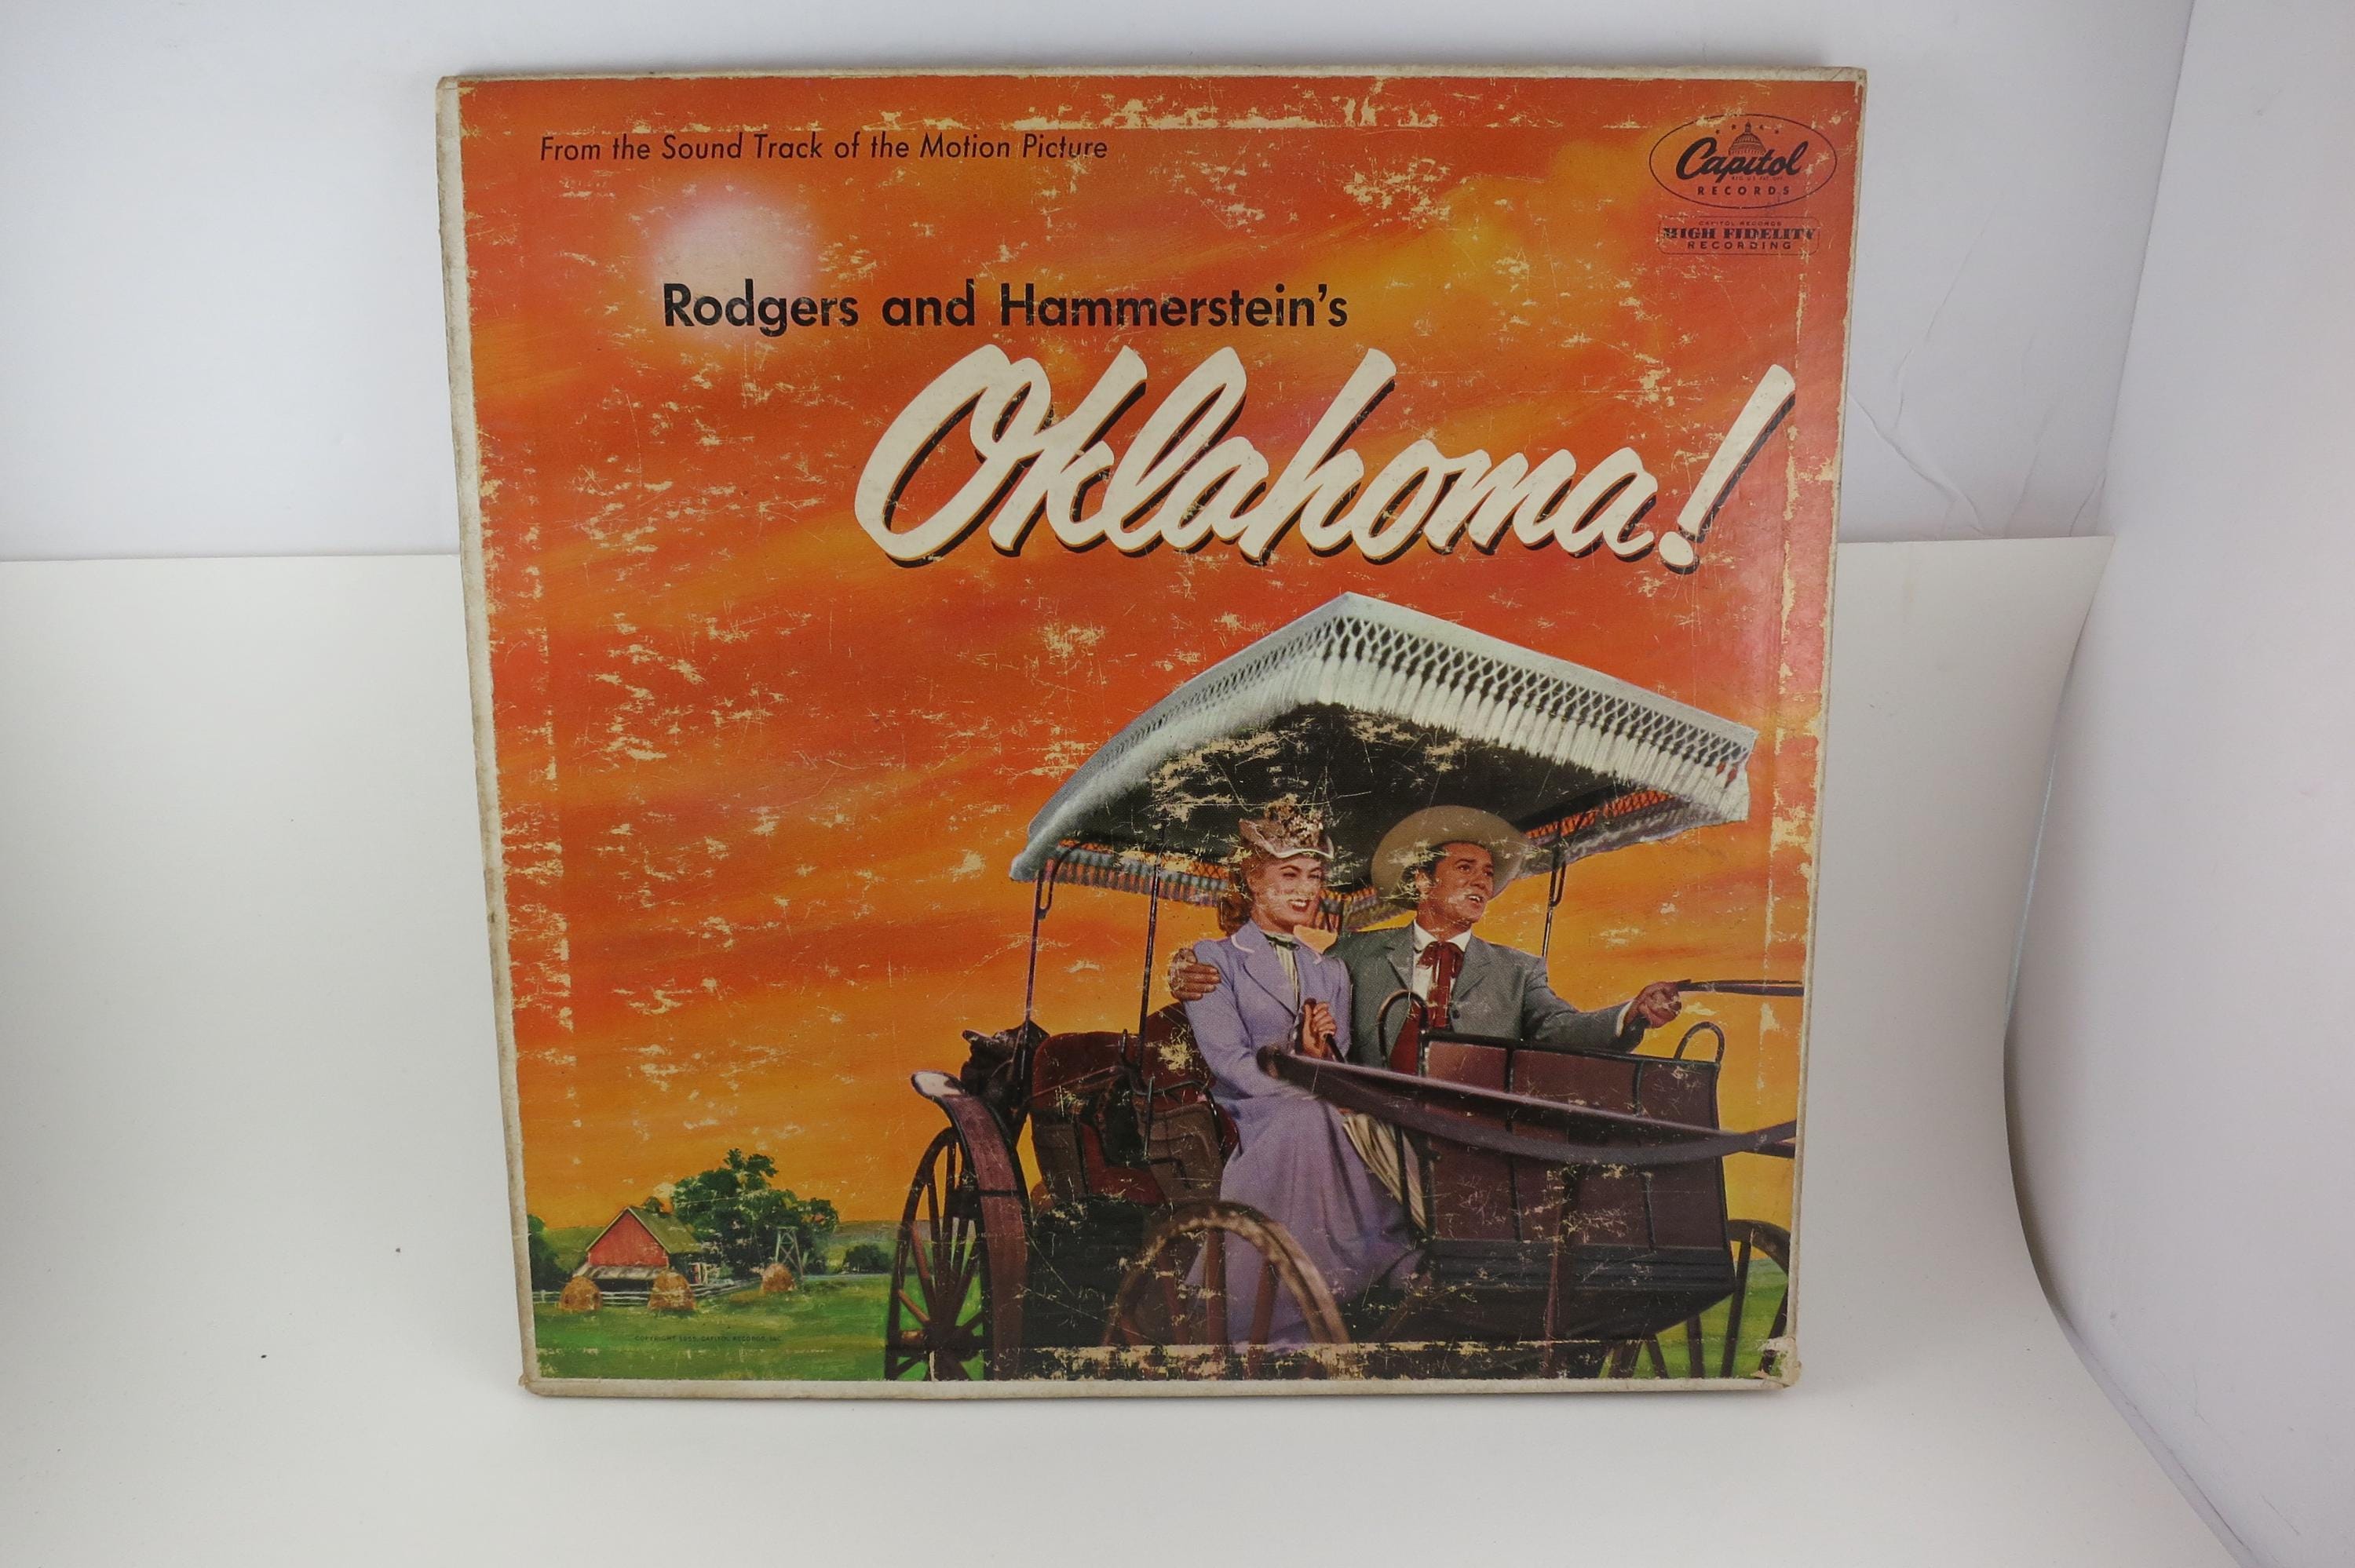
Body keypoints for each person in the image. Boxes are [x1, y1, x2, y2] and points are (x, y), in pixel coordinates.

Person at [1170, 805, 1685, 1222]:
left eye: (1488, 873)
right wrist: (1185, 972)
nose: (1482, 882)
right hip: (1369, 1125)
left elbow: (1562, 1028)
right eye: (1465, 869)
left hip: (1470, 1132)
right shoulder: (1354, 956)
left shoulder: (1519, 971)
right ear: (1421, 882)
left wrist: (1630, 1014)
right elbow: (1281, 994)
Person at [1181, 802, 1416, 1346]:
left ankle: (1388, 1258)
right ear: (1253, 879)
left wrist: (1316, 1055)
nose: (1306, 890)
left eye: (1314, 877)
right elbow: (1228, 1059)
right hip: (1251, 1103)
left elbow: (1338, 1060)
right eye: (1290, 875)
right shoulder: (1214, 958)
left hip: (1313, 1098)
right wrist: (1296, 1065)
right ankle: (1302, 1295)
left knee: (1372, 1117)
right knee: (1308, 1116)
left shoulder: (1330, 970)